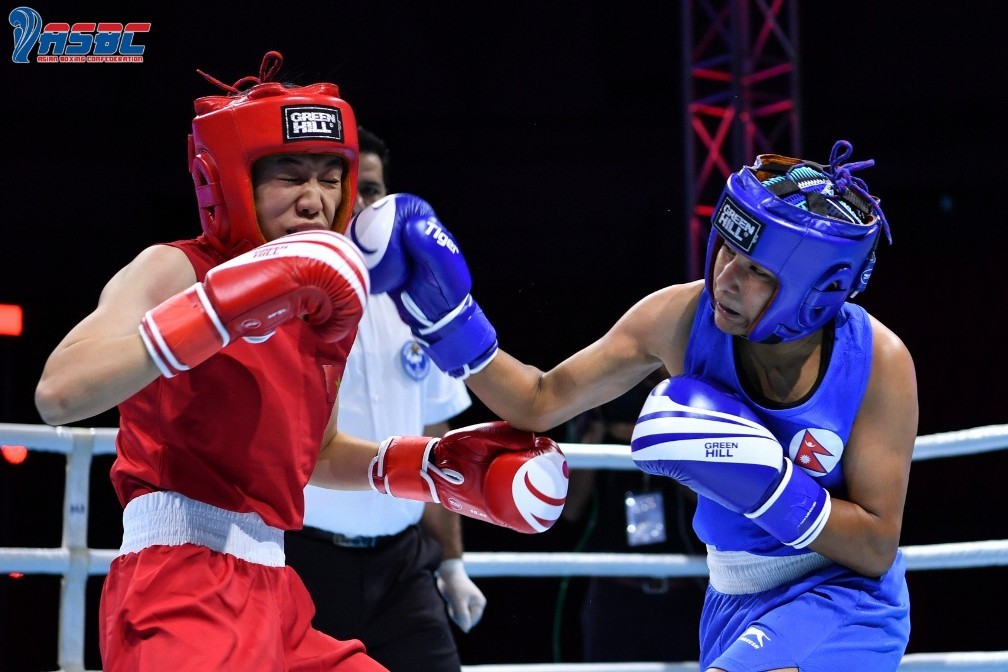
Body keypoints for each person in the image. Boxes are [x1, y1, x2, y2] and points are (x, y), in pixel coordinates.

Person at [32, 51, 568, 672]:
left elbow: (315, 453)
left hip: (276, 589)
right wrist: (216, 312)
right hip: (179, 586)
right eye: (289, 174)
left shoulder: (322, 305)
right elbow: (58, 393)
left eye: (329, 177)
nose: (314, 199)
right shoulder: (175, 269)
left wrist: (428, 467)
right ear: (233, 180)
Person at [350, 139, 917, 671]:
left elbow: (873, 546)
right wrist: (449, 321)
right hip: (731, 597)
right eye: (726, 249)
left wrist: (769, 486)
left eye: (755, 272)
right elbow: (539, 400)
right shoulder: (677, 318)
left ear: (816, 293)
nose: (725, 279)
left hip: (844, 597)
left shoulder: (878, 364)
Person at [285, 126, 486, 672]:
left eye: (374, 190)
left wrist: (451, 563)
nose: (362, 205)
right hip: (301, 560)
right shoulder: (286, 296)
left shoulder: (419, 300)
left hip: (404, 565)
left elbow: (437, 440)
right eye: (351, 189)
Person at [564, 370, 706, 663]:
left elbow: (711, 497)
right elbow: (572, 507)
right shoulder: (598, 397)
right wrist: (597, 430)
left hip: (686, 588)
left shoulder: (692, 402)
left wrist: (658, 442)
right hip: (614, 591)